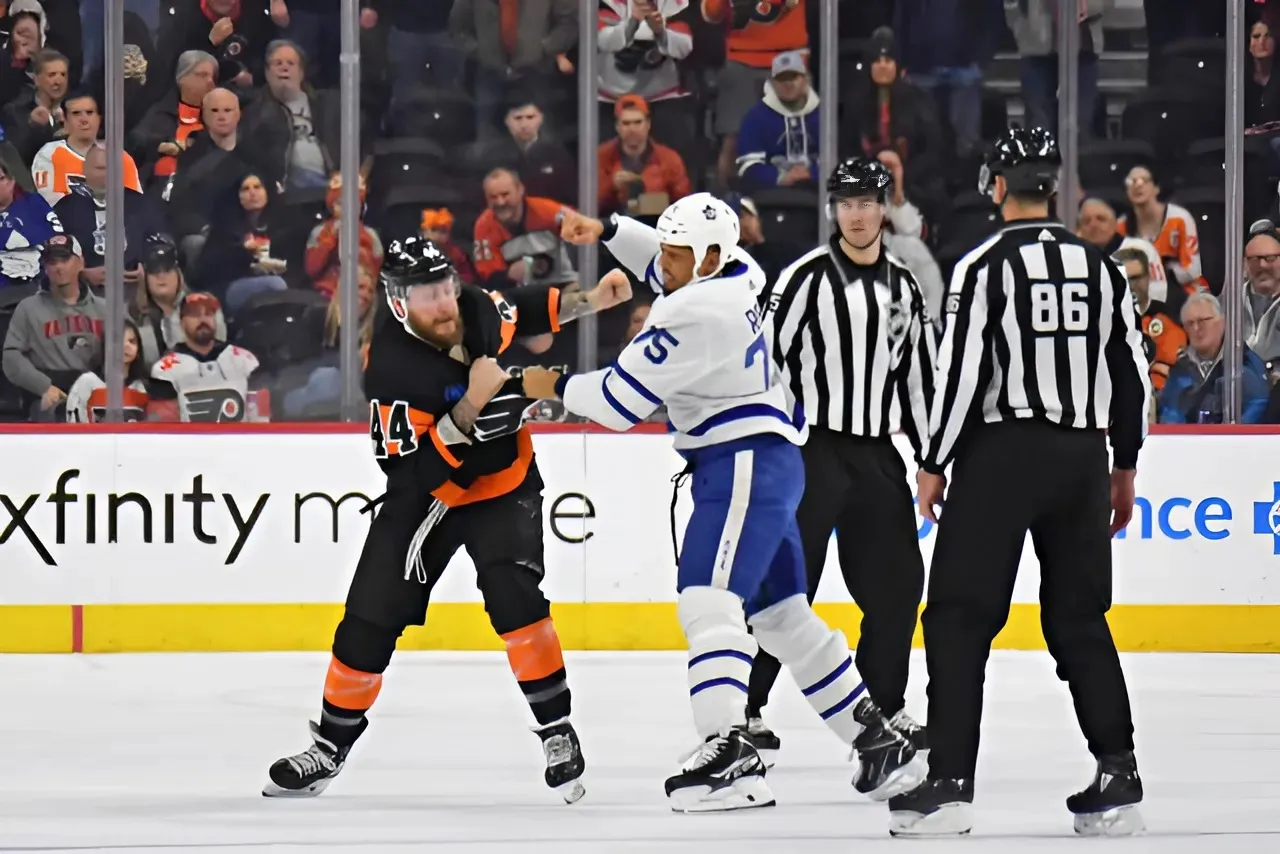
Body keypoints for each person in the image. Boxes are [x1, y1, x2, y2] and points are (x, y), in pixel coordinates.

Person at [523, 194, 925, 813]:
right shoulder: (740, 273)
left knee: (708, 603)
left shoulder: (695, 310)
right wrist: (606, 231)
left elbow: (617, 403)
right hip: (770, 459)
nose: (666, 263)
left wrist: (542, 384)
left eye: (679, 253)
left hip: (737, 464)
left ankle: (727, 749)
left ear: (708, 255)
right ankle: (877, 741)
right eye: (667, 249)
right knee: (782, 616)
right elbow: (661, 269)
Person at [263, 237, 629, 803]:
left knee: (516, 597)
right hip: (426, 495)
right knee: (368, 616)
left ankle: (557, 730)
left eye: (445, 288)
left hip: (504, 484)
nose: (444, 304)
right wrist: (468, 414)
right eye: (426, 294)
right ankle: (330, 746)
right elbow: (411, 473)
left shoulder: (475, 308)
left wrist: (592, 301)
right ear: (399, 302)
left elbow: (524, 309)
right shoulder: (389, 368)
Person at [887, 127, 1149, 838]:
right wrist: (1122, 465)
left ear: (997, 186)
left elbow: (963, 377)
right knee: (1078, 616)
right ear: (1054, 186)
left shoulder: (981, 266)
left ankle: (949, 782)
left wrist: (934, 460)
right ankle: (1117, 772)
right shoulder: (1100, 268)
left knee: (958, 618)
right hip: (1078, 459)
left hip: (1001, 457)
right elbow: (1129, 374)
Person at [744, 157, 934, 772]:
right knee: (783, 587)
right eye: (846, 202)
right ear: (833, 208)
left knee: (898, 585)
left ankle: (883, 707)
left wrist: (932, 453)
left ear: (884, 207)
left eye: (867, 201)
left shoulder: (905, 284)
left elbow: (919, 376)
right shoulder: (802, 279)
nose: (857, 213)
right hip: (810, 452)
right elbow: (764, 364)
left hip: (878, 453)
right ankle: (745, 713)